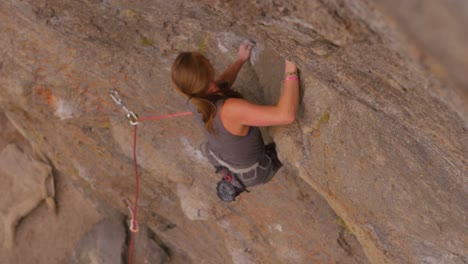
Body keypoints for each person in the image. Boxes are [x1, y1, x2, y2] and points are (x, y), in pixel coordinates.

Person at [171, 40, 299, 192]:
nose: (209, 59)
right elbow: (286, 115)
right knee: (291, 147)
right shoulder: (230, 109)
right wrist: (291, 67)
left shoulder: (194, 100)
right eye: (205, 60)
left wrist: (240, 60)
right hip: (256, 171)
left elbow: (222, 83)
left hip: (228, 162)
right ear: (206, 71)